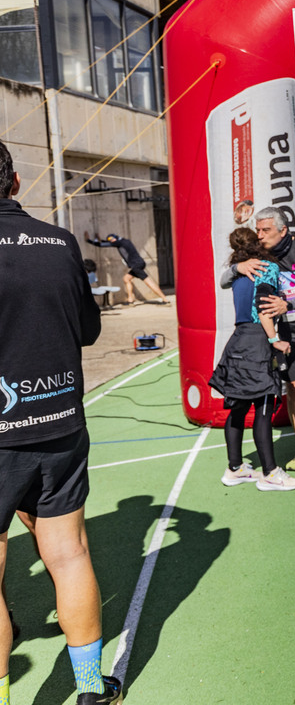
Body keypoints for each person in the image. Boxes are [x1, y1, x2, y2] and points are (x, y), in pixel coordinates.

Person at [0, 139, 122, 704]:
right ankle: (92, 687)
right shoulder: (57, 241)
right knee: (68, 553)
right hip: (58, 420)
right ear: (16, 182)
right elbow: (89, 329)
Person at [220, 206, 295, 473]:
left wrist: (288, 303)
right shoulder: (260, 257)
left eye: (266, 230)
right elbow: (223, 280)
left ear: (283, 231)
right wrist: (236, 267)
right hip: (286, 334)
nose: (260, 235)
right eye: (258, 230)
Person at [209, 228, 295, 492]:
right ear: (258, 242)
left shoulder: (239, 273)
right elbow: (264, 308)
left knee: (237, 408)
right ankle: (271, 473)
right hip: (257, 342)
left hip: (238, 341)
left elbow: (225, 282)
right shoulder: (268, 268)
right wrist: (275, 340)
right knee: (263, 407)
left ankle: (235, 468)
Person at [84, 230, 168, 306]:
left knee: (148, 281)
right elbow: (108, 242)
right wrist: (100, 239)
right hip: (139, 263)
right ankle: (130, 299)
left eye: (112, 239)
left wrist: (89, 240)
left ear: (115, 238)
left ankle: (165, 299)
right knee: (126, 279)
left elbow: (102, 245)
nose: (112, 241)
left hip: (136, 265)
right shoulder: (124, 241)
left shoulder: (119, 242)